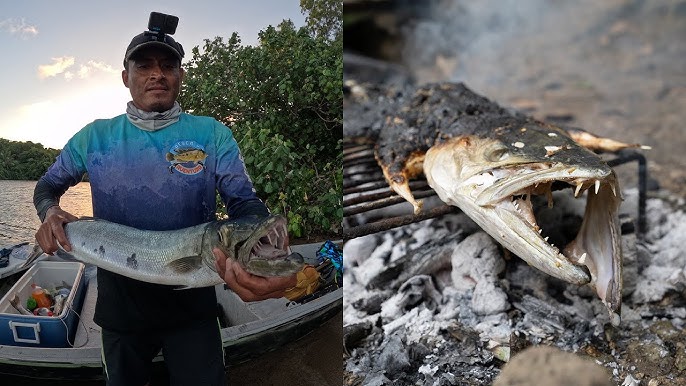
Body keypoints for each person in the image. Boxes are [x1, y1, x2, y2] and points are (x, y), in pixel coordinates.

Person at [33, 14, 297, 386]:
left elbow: (245, 205)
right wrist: (50, 213)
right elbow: (46, 187)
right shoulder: (93, 138)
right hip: (120, 313)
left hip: (195, 312)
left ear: (180, 76)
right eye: (144, 65)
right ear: (126, 77)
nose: (157, 74)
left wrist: (263, 255)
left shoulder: (212, 133)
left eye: (168, 65)